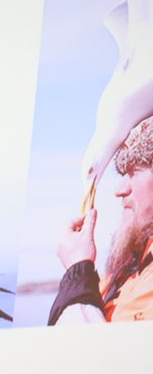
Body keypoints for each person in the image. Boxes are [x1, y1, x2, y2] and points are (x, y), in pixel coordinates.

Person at [51, 116, 153, 324]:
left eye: (135, 171)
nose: (119, 190)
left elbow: (93, 353)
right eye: (122, 173)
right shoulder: (124, 274)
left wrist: (78, 270)